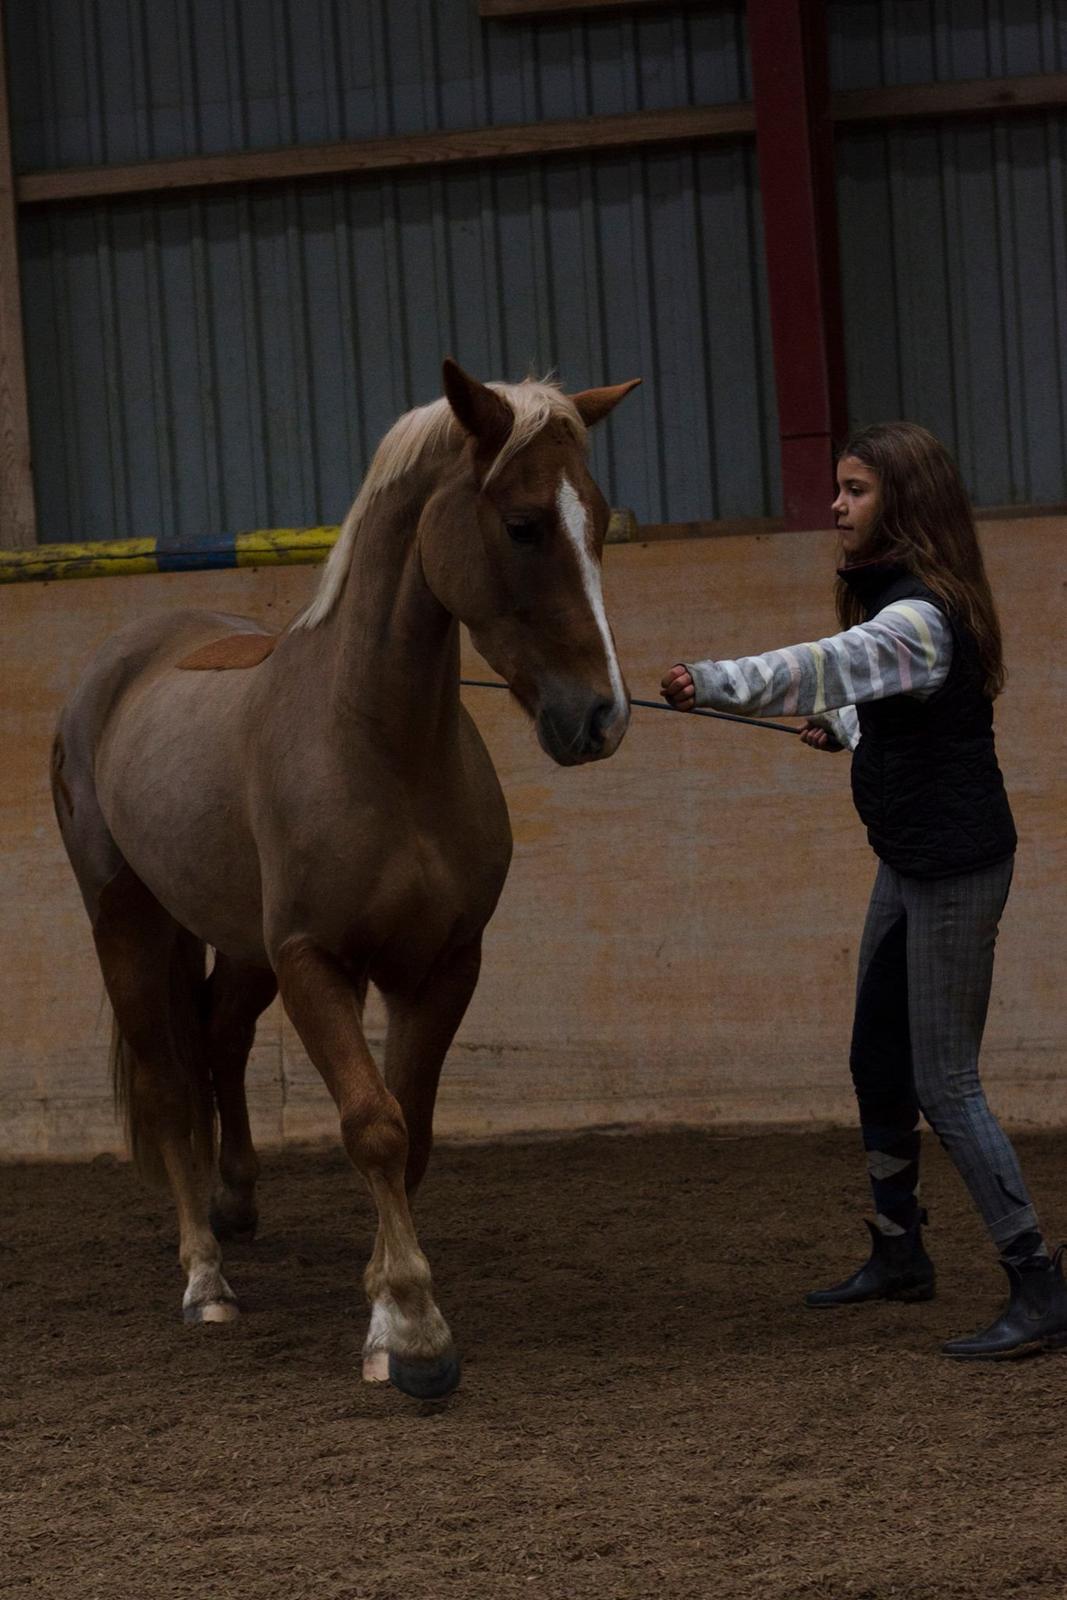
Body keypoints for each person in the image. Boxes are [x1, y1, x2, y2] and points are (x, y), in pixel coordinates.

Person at [661, 421, 1066, 1360]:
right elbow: (871, 685)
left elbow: (830, 664)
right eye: (838, 488)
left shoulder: (918, 612)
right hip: (908, 860)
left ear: (903, 503)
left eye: (855, 491)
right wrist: (846, 726)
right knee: (876, 1060)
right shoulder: (905, 603)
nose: (836, 507)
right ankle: (898, 1250)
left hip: (954, 870)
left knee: (945, 1083)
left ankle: (1039, 1286)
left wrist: (708, 681)